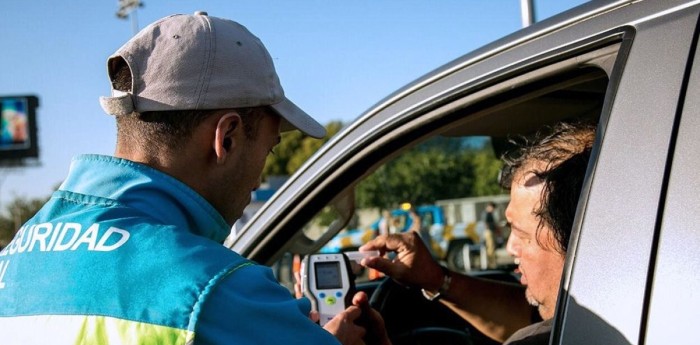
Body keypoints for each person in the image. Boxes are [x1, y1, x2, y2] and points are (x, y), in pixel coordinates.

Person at [0, 12, 388, 345]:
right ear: (227, 137)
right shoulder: (221, 289)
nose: (260, 176)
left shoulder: (14, 259)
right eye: (267, 150)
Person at [360, 121, 596, 344]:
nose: (511, 247)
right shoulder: (596, 316)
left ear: (577, 239)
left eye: (522, 234)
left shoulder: (538, 341)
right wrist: (435, 278)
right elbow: (526, 316)